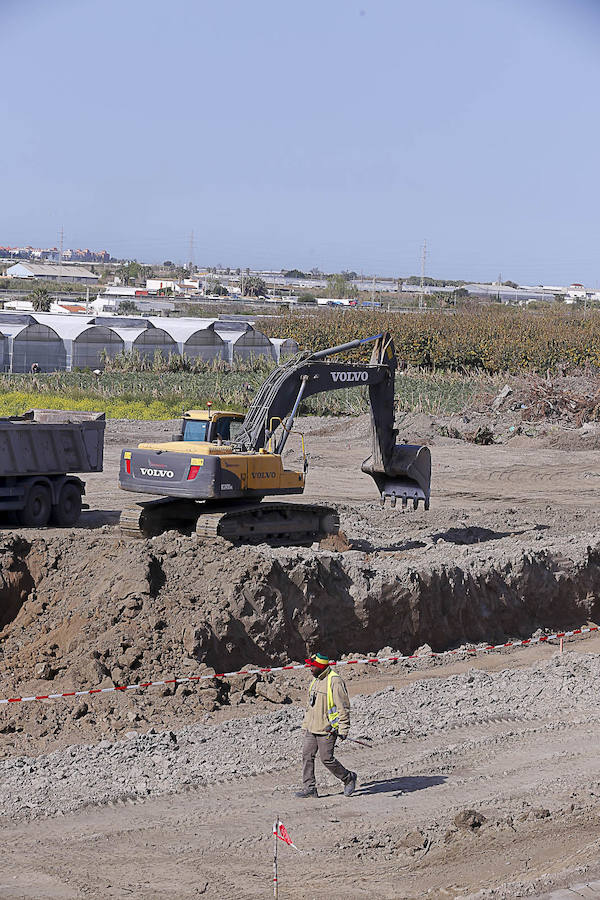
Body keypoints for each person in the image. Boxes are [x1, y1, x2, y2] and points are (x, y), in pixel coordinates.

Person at [295, 652, 357, 799]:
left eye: (313, 666)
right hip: (312, 728)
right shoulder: (315, 680)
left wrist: (343, 729)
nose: (310, 668)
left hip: (327, 729)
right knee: (307, 756)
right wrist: (306, 724)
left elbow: (343, 707)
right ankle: (310, 788)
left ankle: (348, 778)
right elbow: (311, 705)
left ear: (321, 667)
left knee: (327, 759)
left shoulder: (334, 681)